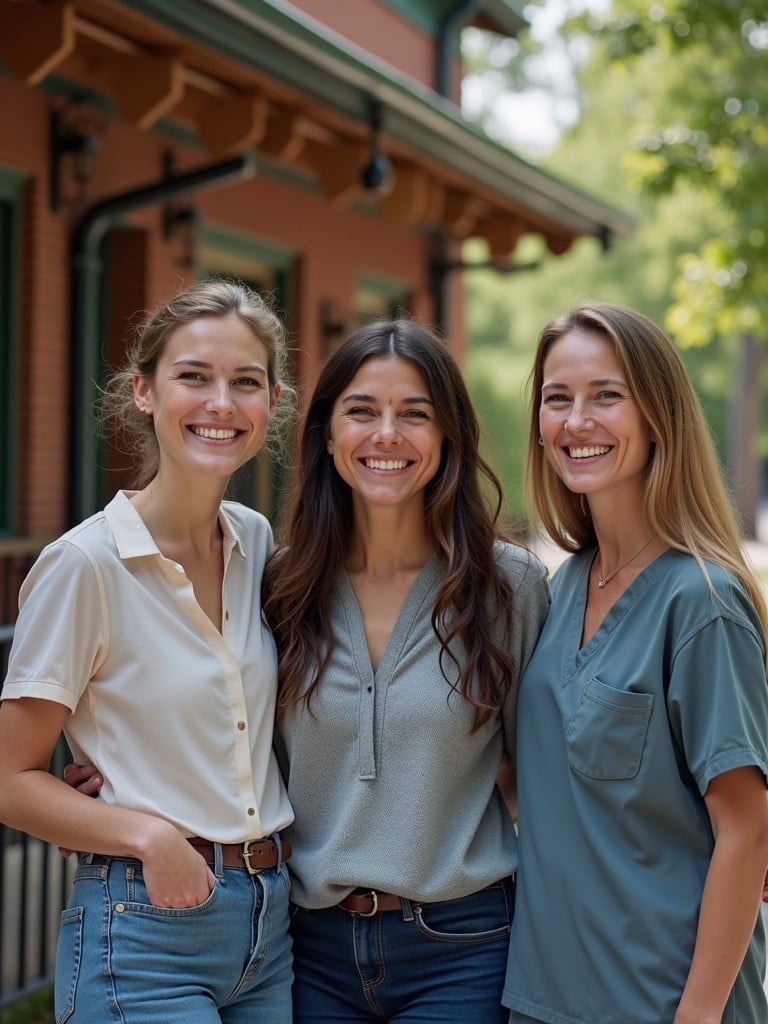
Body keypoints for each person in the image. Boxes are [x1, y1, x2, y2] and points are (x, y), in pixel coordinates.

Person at [0, 279, 296, 1024]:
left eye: (245, 382)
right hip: (145, 924)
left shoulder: (255, 541)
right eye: (193, 377)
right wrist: (146, 832)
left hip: (270, 925)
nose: (220, 404)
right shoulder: (85, 564)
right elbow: (8, 778)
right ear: (143, 391)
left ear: (273, 400)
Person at [262, 319, 550, 1023]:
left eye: (414, 414)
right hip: (307, 949)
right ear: (327, 435)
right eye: (361, 411)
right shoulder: (279, 584)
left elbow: (545, 771)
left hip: (463, 945)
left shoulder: (509, 586)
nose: (386, 434)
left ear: (447, 437)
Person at [503, 302, 768, 1024]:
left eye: (606, 396)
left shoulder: (701, 602)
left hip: (661, 1002)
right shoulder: (559, 590)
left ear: (657, 417)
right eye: (557, 399)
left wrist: (701, 1014)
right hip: (541, 998)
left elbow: (747, 831)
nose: (576, 421)